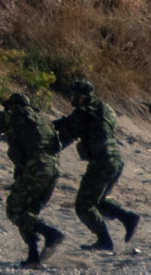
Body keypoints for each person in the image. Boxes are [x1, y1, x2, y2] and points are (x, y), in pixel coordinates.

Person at [57, 79, 140, 251]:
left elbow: (62, 141)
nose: (73, 101)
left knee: (83, 206)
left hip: (101, 162)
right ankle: (127, 217)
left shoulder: (82, 115)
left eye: (76, 98)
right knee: (97, 201)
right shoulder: (105, 108)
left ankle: (104, 240)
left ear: (85, 97)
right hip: (115, 161)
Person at [0, 90, 68, 267]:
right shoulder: (43, 119)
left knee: (15, 211)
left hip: (35, 169)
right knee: (28, 214)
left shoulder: (17, 116)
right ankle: (33, 257)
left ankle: (51, 233)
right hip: (53, 170)